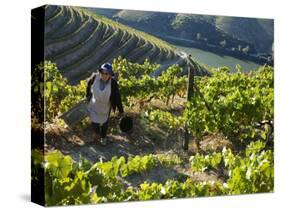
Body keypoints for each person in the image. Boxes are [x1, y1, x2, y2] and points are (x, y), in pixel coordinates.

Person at [86, 63, 124, 145]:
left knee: (104, 123)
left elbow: (117, 97)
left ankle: (103, 137)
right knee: (94, 121)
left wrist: (121, 110)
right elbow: (88, 84)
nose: (104, 75)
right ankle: (97, 134)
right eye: (102, 72)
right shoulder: (94, 77)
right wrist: (88, 95)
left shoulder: (113, 83)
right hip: (94, 103)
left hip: (106, 106)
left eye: (106, 73)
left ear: (110, 75)